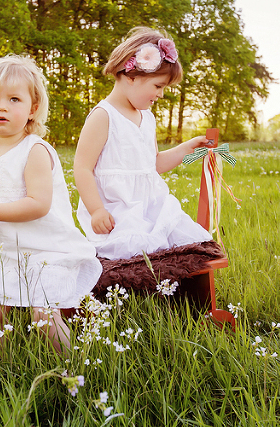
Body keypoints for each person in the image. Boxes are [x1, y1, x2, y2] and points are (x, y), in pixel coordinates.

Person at [0, 55, 101, 353]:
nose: (2, 106)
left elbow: (38, 204)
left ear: (32, 109)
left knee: (44, 316)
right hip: (11, 251)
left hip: (47, 250)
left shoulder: (35, 151)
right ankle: (3, 362)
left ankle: (69, 369)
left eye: (14, 99)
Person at [73, 27, 213, 261]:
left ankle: (175, 290)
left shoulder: (146, 117)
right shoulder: (104, 115)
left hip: (151, 206)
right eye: (158, 86)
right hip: (118, 209)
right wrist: (96, 209)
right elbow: (82, 167)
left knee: (186, 238)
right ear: (131, 76)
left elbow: (153, 164)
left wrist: (186, 148)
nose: (160, 95)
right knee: (134, 246)